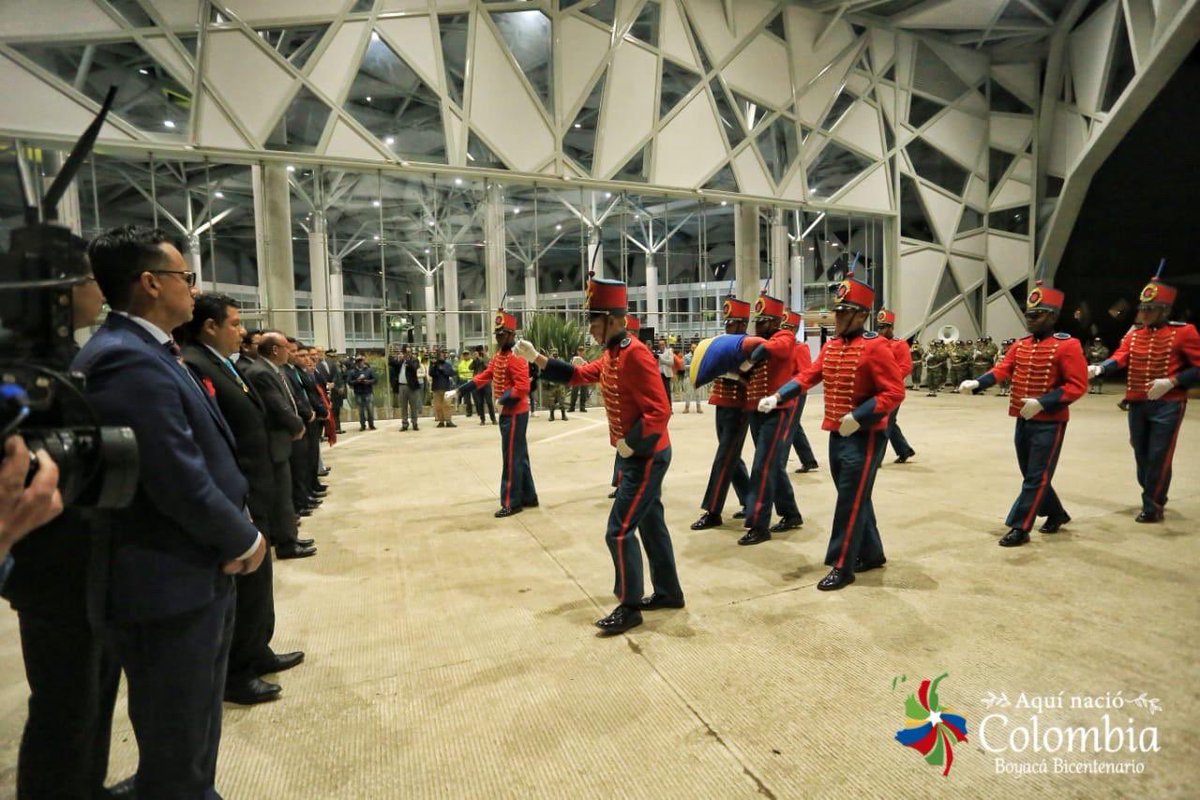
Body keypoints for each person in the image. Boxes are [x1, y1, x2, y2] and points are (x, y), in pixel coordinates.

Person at [72, 225, 267, 797]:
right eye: (186, 277)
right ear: (152, 283)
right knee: (178, 725)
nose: (193, 288)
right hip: (170, 577)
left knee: (192, 724)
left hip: (192, 569)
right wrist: (243, 539)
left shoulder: (149, 350)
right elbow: (173, 475)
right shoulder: (124, 360)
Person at [3, 264, 124, 799]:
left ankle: (88, 787)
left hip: (89, 554)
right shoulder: (23, 372)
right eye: (90, 280)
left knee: (95, 692)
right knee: (63, 704)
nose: (100, 291)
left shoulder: (66, 361)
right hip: (51, 564)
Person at [519, 278, 681, 635]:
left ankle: (629, 606)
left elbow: (660, 410)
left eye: (593, 323)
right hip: (635, 454)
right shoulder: (612, 353)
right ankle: (669, 592)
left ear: (611, 319)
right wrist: (538, 359)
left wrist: (631, 444)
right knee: (651, 525)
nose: (590, 330)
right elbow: (578, 375)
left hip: (645, 455)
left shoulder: (635, 353)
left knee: (619, 531)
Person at [177, 295, 307, 707]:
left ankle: (257, 649)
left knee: (259, 581)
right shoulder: (197, 365)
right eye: (234, 324)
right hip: (242, 489)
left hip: (257, 484)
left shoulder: (226, 365)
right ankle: (238, 670)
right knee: (244, 585)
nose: (241, 332)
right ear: (210, 327)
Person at [761, 274, 904, 590]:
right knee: (852, 495)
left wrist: (861, 415)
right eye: (836, 311)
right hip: (837, 432)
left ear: (862, 315)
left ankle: (843, 564)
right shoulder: (833, 346)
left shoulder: (877, 347)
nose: (837, 317)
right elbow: (809, 376)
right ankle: (872, 552)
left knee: (849, 500)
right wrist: (779, 396)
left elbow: (894, 392)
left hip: (865, 435)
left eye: (844, 312)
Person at [959, 281, 1088, 546]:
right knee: (1032, 473)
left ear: (1052, 316)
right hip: (1023, 417)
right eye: (1028, 314)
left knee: (1036, 475)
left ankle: (1021, 526)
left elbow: (1077, 385)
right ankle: (1056, 513)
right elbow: (1003, 369)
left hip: (1050, 421)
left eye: (1036, 315)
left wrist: (1044, 402)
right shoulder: (1021, 345)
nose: (1030, 320)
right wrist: (978, 383)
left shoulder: (1068, 345)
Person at [1089, 275, 1200, 522]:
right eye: (1143, 308)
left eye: (1151, 309)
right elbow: (1120, 356)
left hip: (1168, 403)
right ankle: (1153, 491)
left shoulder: (1183, 332)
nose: (1145, 314)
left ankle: (1152, 505)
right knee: (1141, 452)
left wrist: (1172, 382)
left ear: (1165, 310)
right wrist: (1100, 368)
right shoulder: (1134, 335)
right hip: (1138, 401)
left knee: (1159, 453)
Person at [446, 311, 538, 517]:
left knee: (511, 457)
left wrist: (502, 400)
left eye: (502, 335)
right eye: (497, 335)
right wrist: (459, 391)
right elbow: (483, 377)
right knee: (519, 455)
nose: (498, 339)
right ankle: (529, 496)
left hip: (515, 413)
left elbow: (523, 386)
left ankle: (511, 502)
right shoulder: (499, 357)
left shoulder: (517, 358)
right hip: (507, 413)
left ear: (512, 335)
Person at [241, 332, 316, 560]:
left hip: (280, 441)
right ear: (275, 350)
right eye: (286, 348)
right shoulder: (261, 372)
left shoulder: (271, 370)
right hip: (275, 441)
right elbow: (277, 405)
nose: (289, 352)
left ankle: (287, 534)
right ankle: (286, 542)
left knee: (285, 490)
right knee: (282, 494)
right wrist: (296, 425)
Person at [737, 292, 803, 546]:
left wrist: (751, 351)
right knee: (772, 465)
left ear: (774, 322)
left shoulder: (783, 336)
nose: (758, 326)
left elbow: (775, 348)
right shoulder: (758, 341)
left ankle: (758, 524)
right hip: (757, 409)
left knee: (762, 465)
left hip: (778, 409)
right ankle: (791, 513)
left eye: (763, 321)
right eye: (758, 321)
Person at [692, 299, 754, 530]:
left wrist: (727, 371)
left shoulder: (747, 345)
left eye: (732, 323)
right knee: (731, 457)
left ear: (742, 324)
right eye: (726, 323)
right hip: (722, 403)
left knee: (724, 457)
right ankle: (750, 500)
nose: (727, 327)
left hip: (738, 407)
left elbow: (748, 374)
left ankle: (713, 510)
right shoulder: (725, 344)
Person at [877, 309, 917, 464]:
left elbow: (905, 367)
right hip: (879, 388)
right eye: (879, 327)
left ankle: (876, 458)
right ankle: (904, 450)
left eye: (884, 327)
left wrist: (889, 379)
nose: (880, 331)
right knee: (890, 422)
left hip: (893, 390)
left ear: (891, 328)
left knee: (884, 422)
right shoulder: (877, 343)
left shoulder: (900, 345)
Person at [393, 345, 422, 431]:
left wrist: (408, 361)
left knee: (413, 406)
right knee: (403, 407)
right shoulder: (401, 361)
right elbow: (392, 364)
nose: (407, 354)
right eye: (406, 352)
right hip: (402, 386)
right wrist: (400, 359)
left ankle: (414, 423)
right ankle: (404, 423)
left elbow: (414, 368)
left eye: (409, 352)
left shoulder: (415, 360)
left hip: (412, 386)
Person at [347, 355, 377, 430]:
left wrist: (368, 382)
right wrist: (357, 381)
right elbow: (349, 382)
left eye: (361, 361)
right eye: (358, 361)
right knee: (361, 411)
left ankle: (371, 424)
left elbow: (375, 379)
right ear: (356, 362)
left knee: (370, 409)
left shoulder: (369, 370)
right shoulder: (352, 372)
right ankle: (362, 425)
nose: (360, 363)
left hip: (368, 392)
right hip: (358, 393)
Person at [430, 348, 458, 427]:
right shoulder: (433, 364)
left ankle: (448, 421)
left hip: (446, 387)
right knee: (438, 406)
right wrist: (435, 366)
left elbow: (451, 373)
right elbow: (431, 373)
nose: (442, 356)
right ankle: (441, 421)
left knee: (447, 405)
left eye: (443, 354)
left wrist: (443, 370)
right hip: (436, 388)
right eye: (440, 355)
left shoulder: (447, 364)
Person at [471, 345, 496, 425]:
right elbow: (470, 367)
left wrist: (482, 359)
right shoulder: (475, 360)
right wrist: (474, 359)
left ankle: (493, 419)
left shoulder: (487, 359)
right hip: (478, 383)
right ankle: (482, 420)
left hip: (486, 383)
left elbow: (488, 367)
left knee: (489, 402)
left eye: (481, 351)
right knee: (480, 402)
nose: (480, 352)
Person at [545, 348, 570, 421]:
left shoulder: (561, 361)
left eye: (555, 352)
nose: (554, 354)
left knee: (561, 400)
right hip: (552, 385)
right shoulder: (548, 361)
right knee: (551, 401)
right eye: (553, 352)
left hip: (560, 384)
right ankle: (551, 415)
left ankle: (563, 415)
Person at [681, 342, 705, 413]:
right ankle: (686, 407)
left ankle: (698, 407)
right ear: (690, 348)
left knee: (698, 393)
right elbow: (684, 366)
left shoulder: (700, 356)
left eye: (695, 347)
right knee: (688, 393)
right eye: (693, 347)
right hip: (688, 376)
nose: (694, 349)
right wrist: (693, 366)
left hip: (697, 376)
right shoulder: (686, 356)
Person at [569, 345, 590, 411]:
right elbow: (571, 366)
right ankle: (572, 407)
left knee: (583, 392)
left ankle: (582, 407)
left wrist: (586, 364)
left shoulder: (586, 359)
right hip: (576, 377)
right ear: (577, 351)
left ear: (584, 351)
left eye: (582, 350)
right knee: (574, 392)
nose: (581, 352)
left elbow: (589, 368)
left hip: (584, 377)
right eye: (579, 350)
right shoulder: (573, 358)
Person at [656, 337, 675, 407]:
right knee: (660, 393)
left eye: (662, 344)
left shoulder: (669, 351)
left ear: (665, 345)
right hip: (659, 375)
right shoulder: (657, 352)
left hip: (666, 375)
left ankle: (670, 408)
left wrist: (661, 359)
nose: (661, 346)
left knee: (667, 392)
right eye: (660, 345)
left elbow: (671, 362)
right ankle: (663, 407)